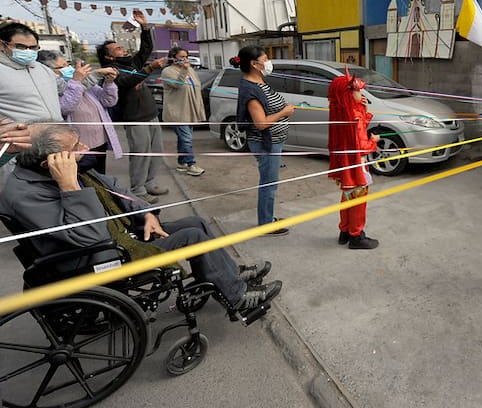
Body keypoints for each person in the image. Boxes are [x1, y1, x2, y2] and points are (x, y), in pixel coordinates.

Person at [0, 123, 281, 315]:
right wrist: (70, 187)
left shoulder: (58, 170)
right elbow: (90, 237)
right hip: (95, 259)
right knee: (192, 237)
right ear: (48, 162)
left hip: (117, 234)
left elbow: (116, 188)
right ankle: (237, 297)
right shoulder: (29, 193)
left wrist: (145, 212)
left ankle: (226, 275)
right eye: (75, 147)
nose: (85, 147)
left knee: (196, 223)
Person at [97, 10, 167, 203]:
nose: (123, 49)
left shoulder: (132, 62)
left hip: (151, 114)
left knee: (156, 152)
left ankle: (150, 183)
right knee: (140, 155)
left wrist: (144, 27)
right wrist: (150, 68)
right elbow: (127, 81)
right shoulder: (111, 71)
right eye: (118, 49)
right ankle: (138, 190)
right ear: (110, 57)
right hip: (135, 119)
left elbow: (146, 48)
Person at [233, 46, 294, 234]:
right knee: (269, 183)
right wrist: (284, 112)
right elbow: (261, 123)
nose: (269, 63)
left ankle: (267, 218)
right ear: (254, 64)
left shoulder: (260, 82)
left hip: (274, 142)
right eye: (265, 59)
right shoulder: (251, 90)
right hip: (266, 143)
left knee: (270, 182)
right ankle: (266, 223)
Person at [37, 50, 122, 174]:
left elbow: (109, 101)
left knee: (100, 177)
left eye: (67, 64)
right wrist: (77, 82)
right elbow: (66, 107)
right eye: (61, 67)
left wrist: (109, 83)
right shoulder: (52, 89)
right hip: (77, 146)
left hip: (100, 141)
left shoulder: (85, 84)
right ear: (47, 72)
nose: (68, 69)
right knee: (83, 178)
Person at [327, 69, 381, 250]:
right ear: (348, 94)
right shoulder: (354, 117)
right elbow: (362, 147)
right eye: (357, 91)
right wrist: (374, 140)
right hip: (357, 167)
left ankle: (345, 231)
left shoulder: (341, 113)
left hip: (346, 166)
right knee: (359, 201)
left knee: (347, 197)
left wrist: (362, 109)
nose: (360, 94)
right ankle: (356, 236)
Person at [0, 23, 61, 122]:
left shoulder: (42, 69)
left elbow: (65, 89)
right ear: (2, 45)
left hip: (55, 133)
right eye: (20, 47)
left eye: (33, 48)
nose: (28, 51)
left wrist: (85, 78)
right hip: (21, 135)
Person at [161, 47, 206, 176]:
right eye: (181, 57)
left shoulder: (190, 70)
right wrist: (184, 70)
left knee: (184, 139)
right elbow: (178, 84)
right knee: (186, 139)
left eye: (186, 56)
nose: (185, 59)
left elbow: (196, 86)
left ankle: (182, 163)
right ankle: (191, 164)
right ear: (173, 57)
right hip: (177, 111)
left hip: (190, 109)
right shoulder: (167, 71)